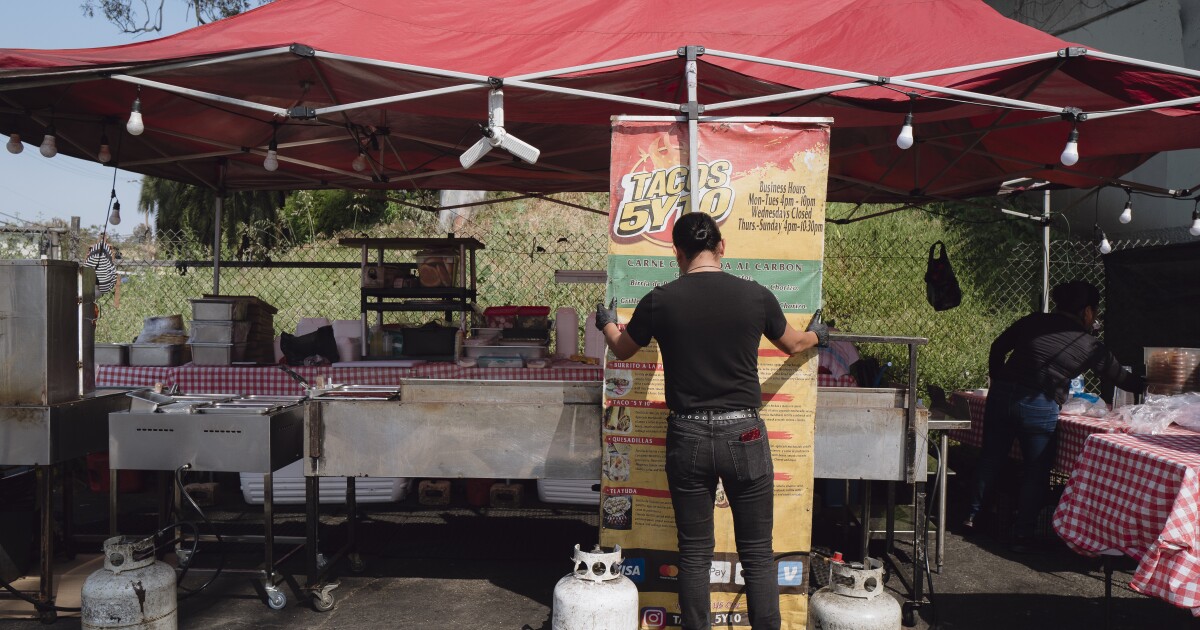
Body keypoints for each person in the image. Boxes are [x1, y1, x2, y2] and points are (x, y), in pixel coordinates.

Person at [595, 212, 828, 630]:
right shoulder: (755, 296)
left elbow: (623, 348)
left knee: (695, 554)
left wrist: (607, 321)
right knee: (757, 553)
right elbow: (794, 344)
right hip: (746, 432)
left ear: (677, 254)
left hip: (687, 434)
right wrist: (818, 335)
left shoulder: (659, 299)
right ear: (722, 248)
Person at [964, 280, 1145, 552]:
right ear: (1086, 311)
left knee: (991, 457)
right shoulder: (1090, 345)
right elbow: (1123, 378)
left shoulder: (1032, 321)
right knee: (1036, 470)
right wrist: (1154, 384)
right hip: (1039, 404)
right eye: (1094, 311)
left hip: (1001, 396)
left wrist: (1000, 379)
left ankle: (971, 516)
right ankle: (1023, 534)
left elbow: (997, 347)